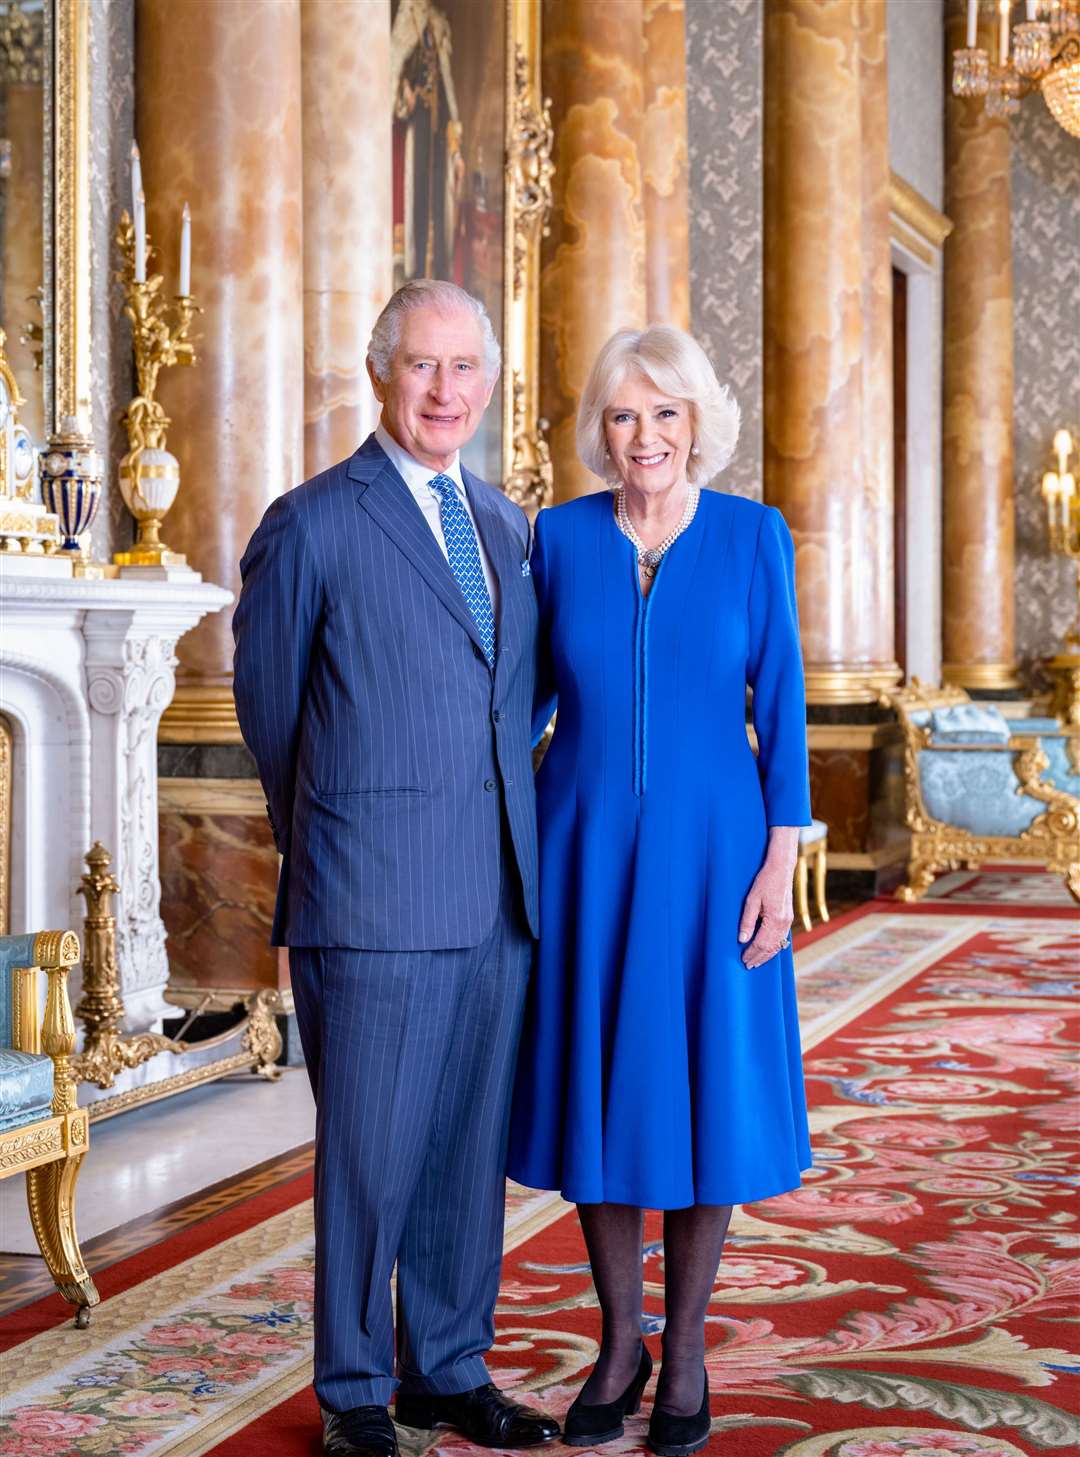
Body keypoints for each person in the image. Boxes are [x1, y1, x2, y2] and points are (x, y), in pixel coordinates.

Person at [233, 279, 558, 1457]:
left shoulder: (510, 524)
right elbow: (272, 714)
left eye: (465, 367)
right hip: (370, 893)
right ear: (382, 372)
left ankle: (451, 1365)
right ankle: (357, 1389)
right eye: (423, 365)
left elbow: (520, 696)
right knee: (368, 1155)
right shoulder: (314, 520)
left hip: (499, 893)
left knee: (467, 1148)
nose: (445, 390)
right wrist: (339, 840)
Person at [508, 325, 812, 1457]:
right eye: (627, 416)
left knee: (704, 1088)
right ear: (603, 428)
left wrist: (781, 863)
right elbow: (522, 708)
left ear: (698, 423)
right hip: (581, 847)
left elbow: (779, 707)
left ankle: (684, 1349)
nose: (647, 437)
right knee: (602, 1085)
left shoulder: (750, 537)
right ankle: (619, 1337)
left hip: (717, 854)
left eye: (667, 413)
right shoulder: (559, 538)